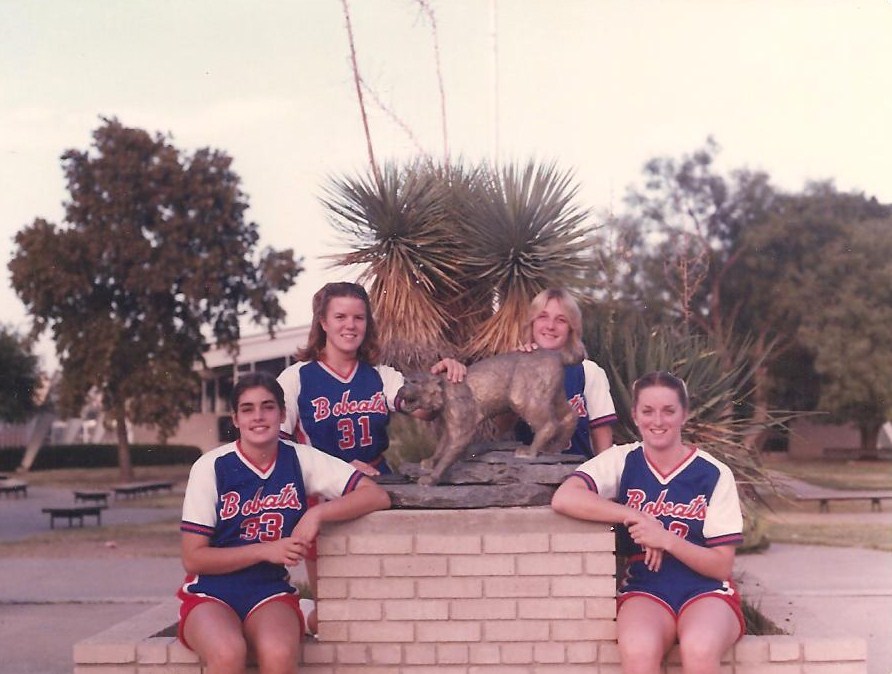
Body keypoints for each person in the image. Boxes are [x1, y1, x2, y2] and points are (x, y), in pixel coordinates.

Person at [177, 371, 390, 674]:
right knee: (227, 654)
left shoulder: (301, 458)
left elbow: (375, 495)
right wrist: (265, 550)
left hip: (269, 591)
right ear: (235, 419)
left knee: (278, 655)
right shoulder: (211, 466)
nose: (258, 416)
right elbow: (193, 557)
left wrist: (316, 514)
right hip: (210, 592)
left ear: (282, 414)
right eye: (247, 409)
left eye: (268, 407)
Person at [551, 371, 745, 674]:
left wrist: (666, 539)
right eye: (648, 411)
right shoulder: (622, 459)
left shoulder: (713, 472)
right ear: (635, 415)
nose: (658, 421)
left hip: (706, 588)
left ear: (684, 414)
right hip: (647, 586)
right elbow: (565, 497)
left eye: (668, 411)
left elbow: (721, 566)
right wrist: (635, 515)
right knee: (639, 651)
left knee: (700, 647)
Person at [277, 281, 465, 477]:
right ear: (323, 322)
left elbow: (426, 411)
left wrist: (444, 378)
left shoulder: (381, 375)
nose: (350, 325)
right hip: (322, 486)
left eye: (359, 318)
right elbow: (276, 446)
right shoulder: (295, 378)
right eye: (340, 317)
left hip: (378, 480)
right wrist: (338, 468)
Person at [516, 288, 617, 456]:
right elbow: (499, 429)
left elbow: (602, 442)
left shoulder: (588, 371)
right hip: (521, 470)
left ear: (571, 328)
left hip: (577, 470)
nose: (550, 326)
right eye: (543, 316)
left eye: (561, 320)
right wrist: (518, 367)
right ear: (532, 322)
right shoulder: (516, 367)